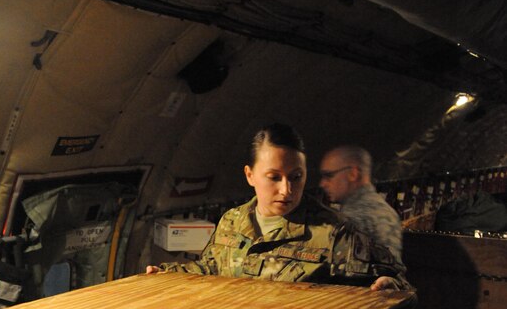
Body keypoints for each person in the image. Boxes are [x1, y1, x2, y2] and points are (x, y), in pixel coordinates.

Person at [146, 124, 411, 293]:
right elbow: (211, 269)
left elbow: (398, 286)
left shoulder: (333, 232)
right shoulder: (233, 221)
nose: (286, 190)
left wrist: (389, 289)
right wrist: (167, 275)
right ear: (250, 176)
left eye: (296, 177)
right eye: (274, 177)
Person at [319, 145, 403, 266]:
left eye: (329, 175)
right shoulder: (386, 210)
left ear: (353, 174)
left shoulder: (351, 218)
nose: (323, 183)